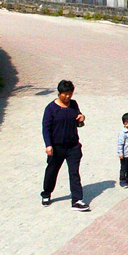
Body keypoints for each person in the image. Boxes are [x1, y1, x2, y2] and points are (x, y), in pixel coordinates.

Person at [42, 79, 89, 210]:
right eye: (65, 94)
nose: (68, 96)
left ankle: (77, 200)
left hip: (73, 146)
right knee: (52, 171)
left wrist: (82, 118)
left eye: (70, 93)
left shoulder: (73, 104)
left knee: (74, 173)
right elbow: (46, 128)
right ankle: (46, 193)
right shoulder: (51, 109)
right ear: (59, 93)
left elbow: (78, 122)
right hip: (57, 147)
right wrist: (48, 145)